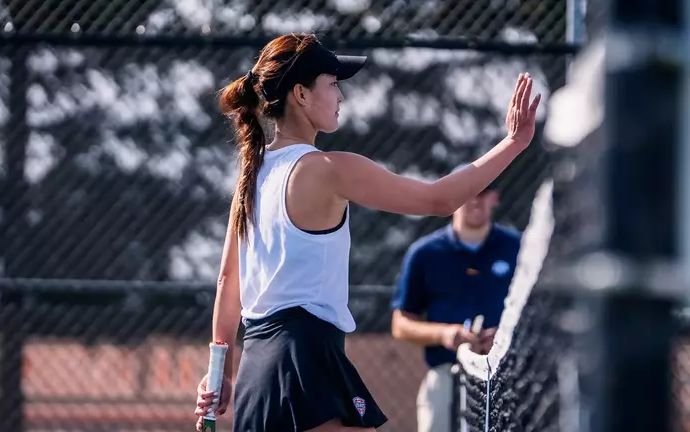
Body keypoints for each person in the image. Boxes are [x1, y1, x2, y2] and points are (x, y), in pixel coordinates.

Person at [192, 31, 541, 432]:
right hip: (304, 359)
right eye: (333, 84)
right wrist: (514, 142)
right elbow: (439, 201)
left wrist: (222, 375)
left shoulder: (249, 178)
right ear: (301, 95)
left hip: (256, 372)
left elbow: (227, 280)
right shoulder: (328, 169)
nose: (341, 96)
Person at [389, 174, 522, 432]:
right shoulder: (425, 253)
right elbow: (401, 324)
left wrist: (506, 336)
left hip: (507, 378)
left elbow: (536, 313)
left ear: (494, 198)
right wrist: (445, 334)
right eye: (467, 193)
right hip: (446, 374)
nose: (475, 201)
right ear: (453, 198)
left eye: (483, 193)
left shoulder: (518, 247)